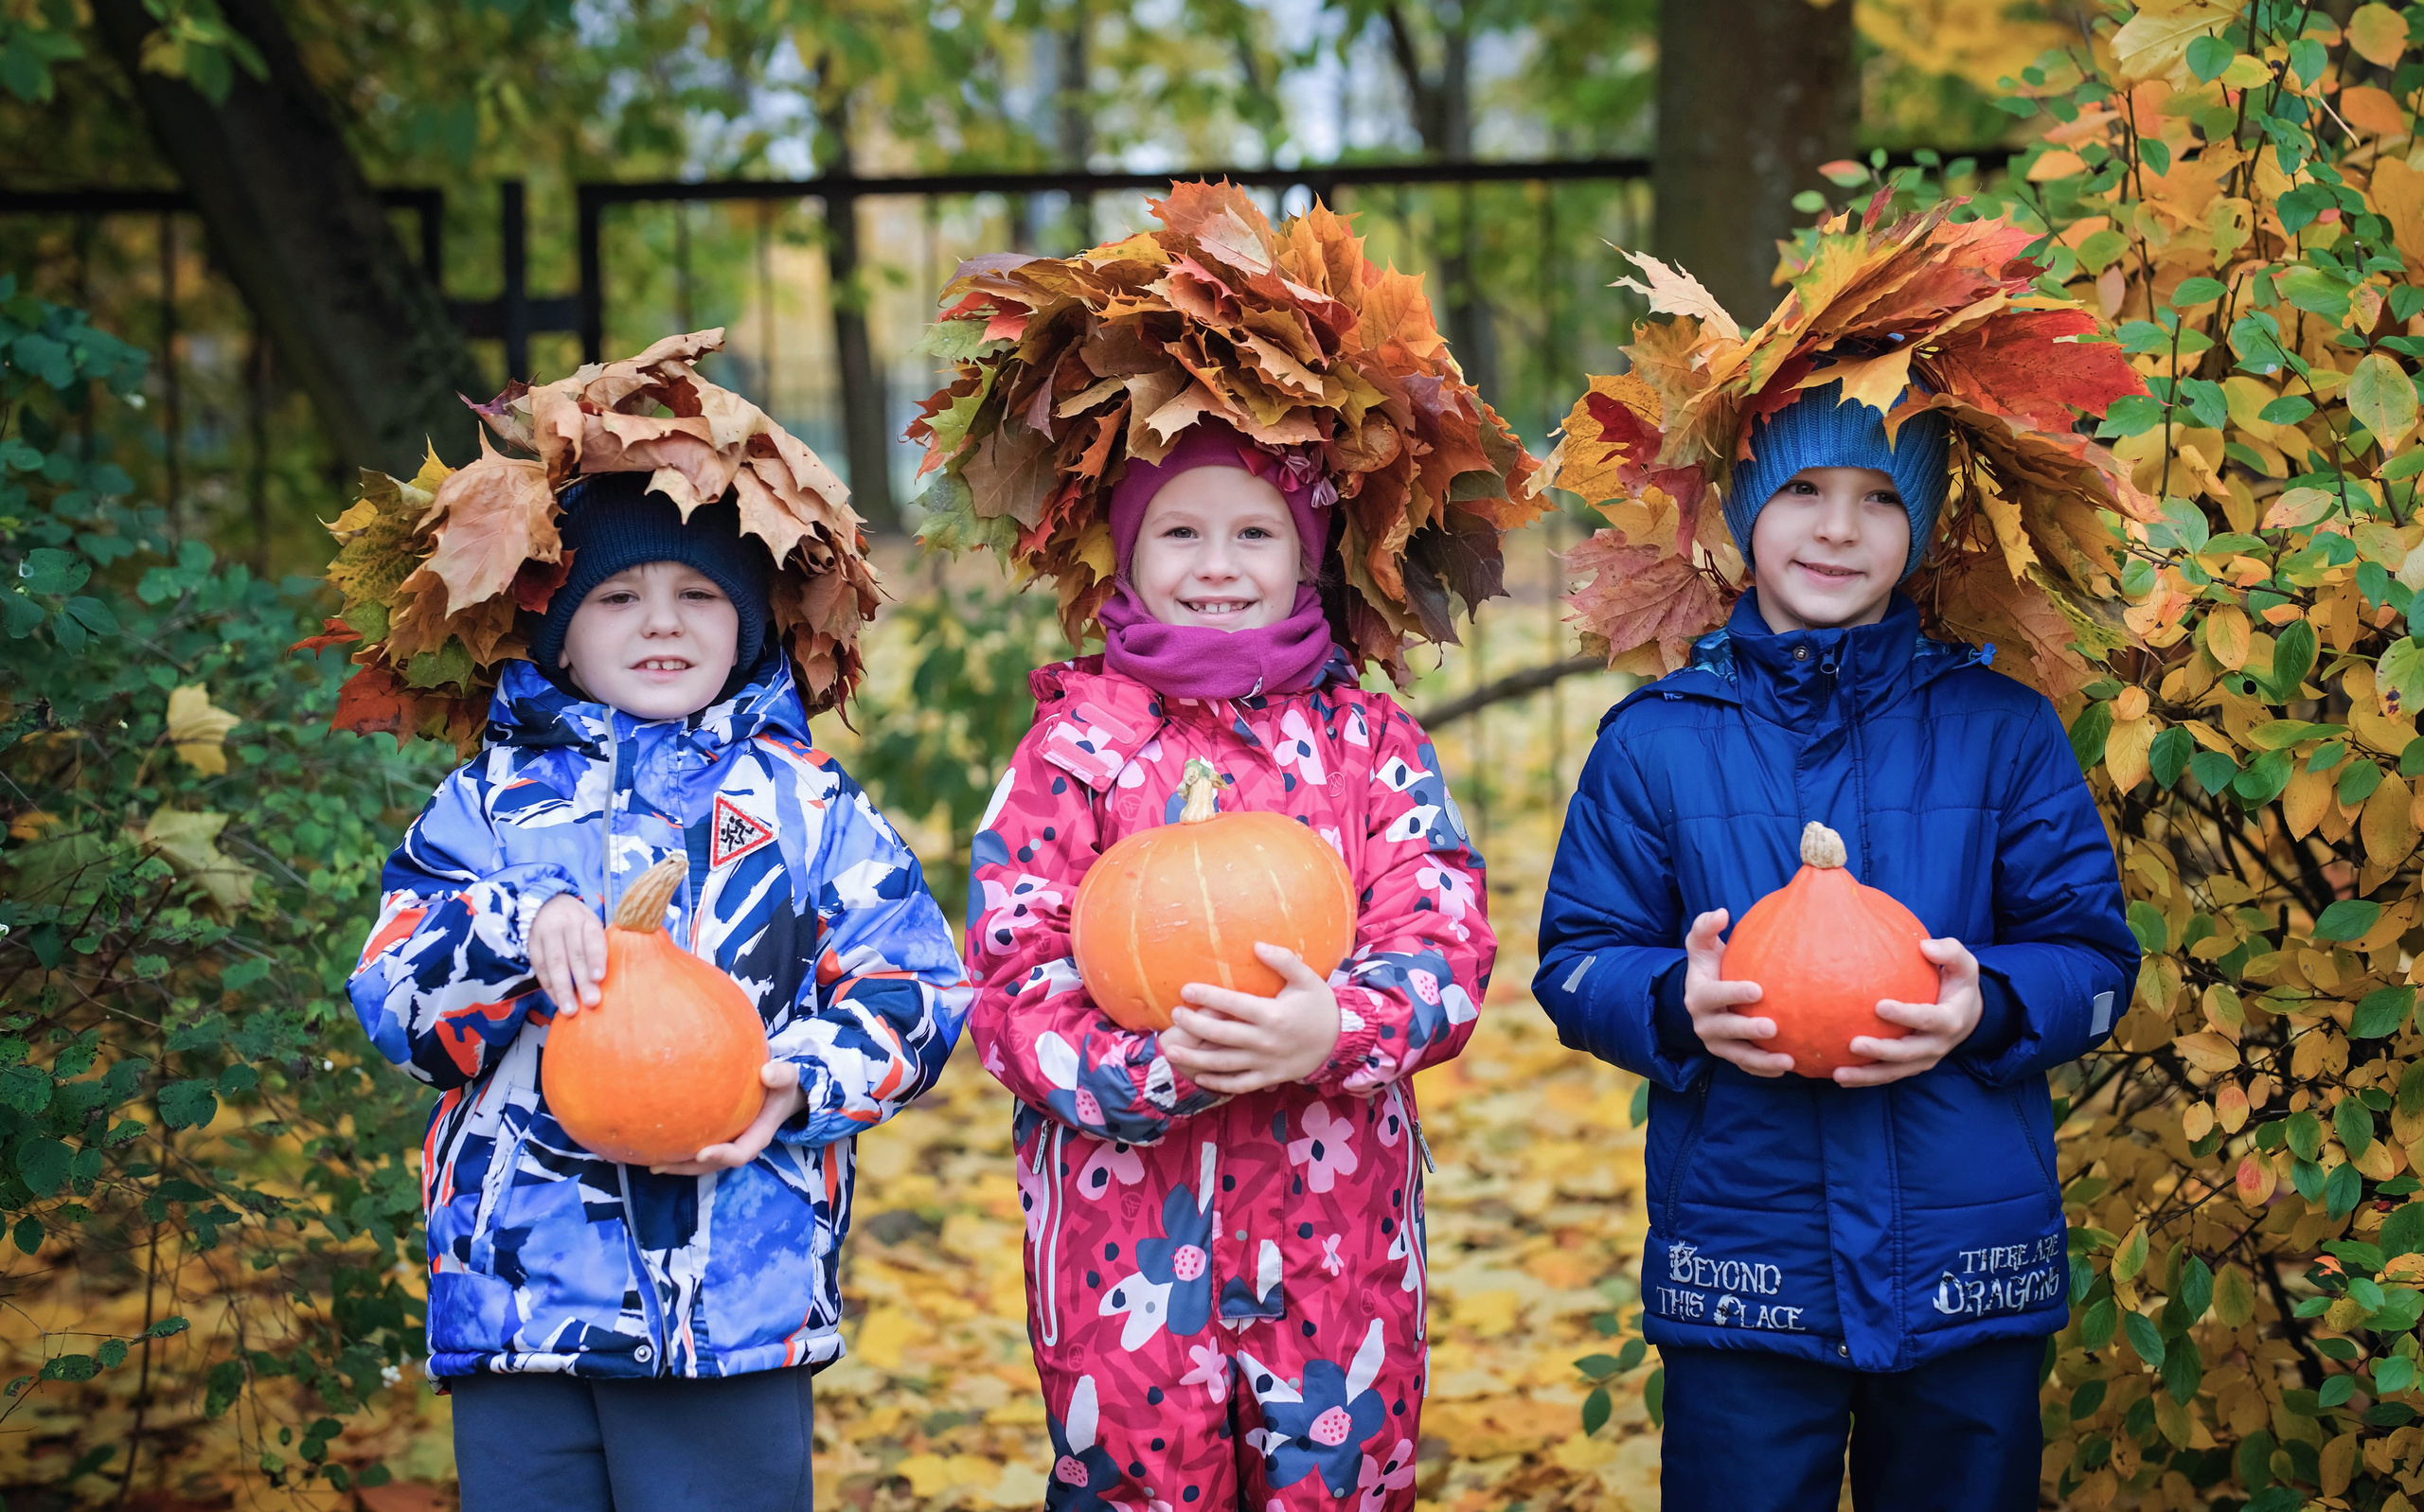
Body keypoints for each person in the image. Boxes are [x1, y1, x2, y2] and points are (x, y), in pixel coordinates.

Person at [1534, 382, 2137, 1511]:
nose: (1837, 528)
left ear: (1917, 527)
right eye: (1802, 490)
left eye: (1877, 498)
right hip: (1747, 1259)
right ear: (1741, 512)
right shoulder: (1659, 742)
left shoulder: (2001, 730)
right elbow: (1577, 959)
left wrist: (1989, 1006)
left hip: (1968, 1261)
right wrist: (1674, 1003)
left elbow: (2095, 958)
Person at [348, 473, 970, 1512]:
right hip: (520, 1301)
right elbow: (398, 1004)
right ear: (557, 632)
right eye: (618, 596)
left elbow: (915, 984)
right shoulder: (488, 811)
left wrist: (796, 1084)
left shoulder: (806, 805)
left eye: (700, 593)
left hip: (735, 1303)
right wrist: (511, 928)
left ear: (747, 624)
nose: (663, 623)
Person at [968, 430, 1493, 1512]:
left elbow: (1442, 932)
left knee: (1336, 1483)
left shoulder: (1368, 740)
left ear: (1307, 558)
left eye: (1254, 533)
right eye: (1180, 532)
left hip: (1336, 1231)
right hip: (1125, 1246)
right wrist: (1156, 1067)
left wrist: (1335, 1028)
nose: (1216, 564)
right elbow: (1012, 972)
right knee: (1141, 1484)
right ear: (1126, 553)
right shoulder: (1073, 749)